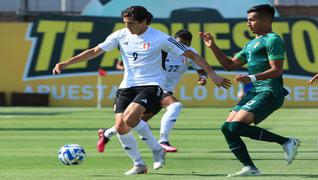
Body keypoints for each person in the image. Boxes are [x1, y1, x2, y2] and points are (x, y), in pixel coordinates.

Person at [53, 6, 230, 175]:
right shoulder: (120, 35)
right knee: (121, 126)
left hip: (152, 84)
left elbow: (192, 55)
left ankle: (157, 150)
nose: (127, 26)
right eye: (125, 22)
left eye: (131, 23)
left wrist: (212, 75)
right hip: (126, 85)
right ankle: (138, 164)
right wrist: (66, 63)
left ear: (144, 21)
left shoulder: (161, 38)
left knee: (130, 118)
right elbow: (94, 51)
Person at [200, 4, 300, 177]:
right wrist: (213, 46)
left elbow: (277, 70)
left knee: (237, 126)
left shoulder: (272, 40)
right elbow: (229, 65)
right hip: (255, 92)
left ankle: (287, 142)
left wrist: (251, 78)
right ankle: (250, 168)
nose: (248, 23)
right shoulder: (251, 43)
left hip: (270, 91)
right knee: (227, 128)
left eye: (252, 20)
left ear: (266, 20)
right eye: (247, 20)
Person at [97, 29, 208, 153]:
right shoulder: (164, 49)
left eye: (185, 45)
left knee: (134, 121)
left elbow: (201, 69)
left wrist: (202, 77)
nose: (181, 47)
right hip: (153, 87)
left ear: (189, 44)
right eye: (179, 43)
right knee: (175, 106)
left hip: (164, 92)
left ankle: (106, 134)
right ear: (174, 41)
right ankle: (163, 141)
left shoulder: (190, 54)